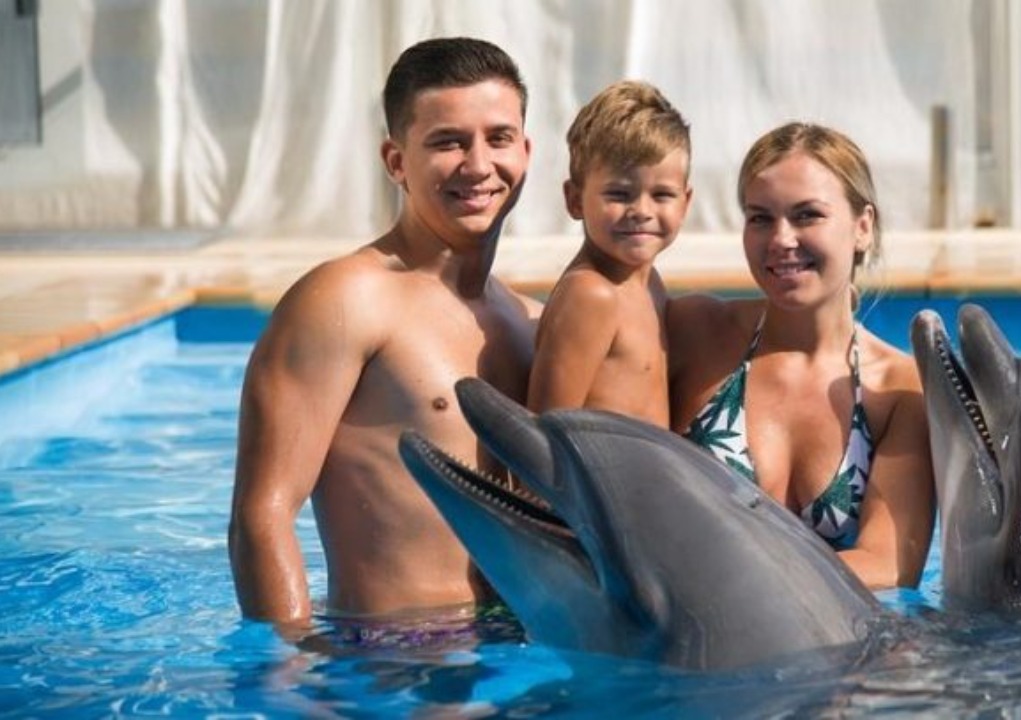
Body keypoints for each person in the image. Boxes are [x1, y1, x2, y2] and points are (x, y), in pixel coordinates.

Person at [228, 37, 540, 629]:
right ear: (396, 161)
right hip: (389, 655)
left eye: (498, 138)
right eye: (448, 142)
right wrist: (287, 667)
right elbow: (262, 516)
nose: (478, 165)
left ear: (525, 151)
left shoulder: (532, 323)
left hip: (519, 648)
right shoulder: (344, 300)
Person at [667, 122, 934, 589]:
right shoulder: (697, 333)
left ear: (863, 227)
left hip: (827, 638)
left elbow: (889, 566)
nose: (781, 239)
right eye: (760, 218)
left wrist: (732, 578)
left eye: (807, 215)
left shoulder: (897, 390)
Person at [526, 81, 692, 426]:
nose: (641, 211)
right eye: (618, 194)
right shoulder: (591, 294)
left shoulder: (649, 284)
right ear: (575, 200)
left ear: (685, 202)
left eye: (661, 195)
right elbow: (545, 432)